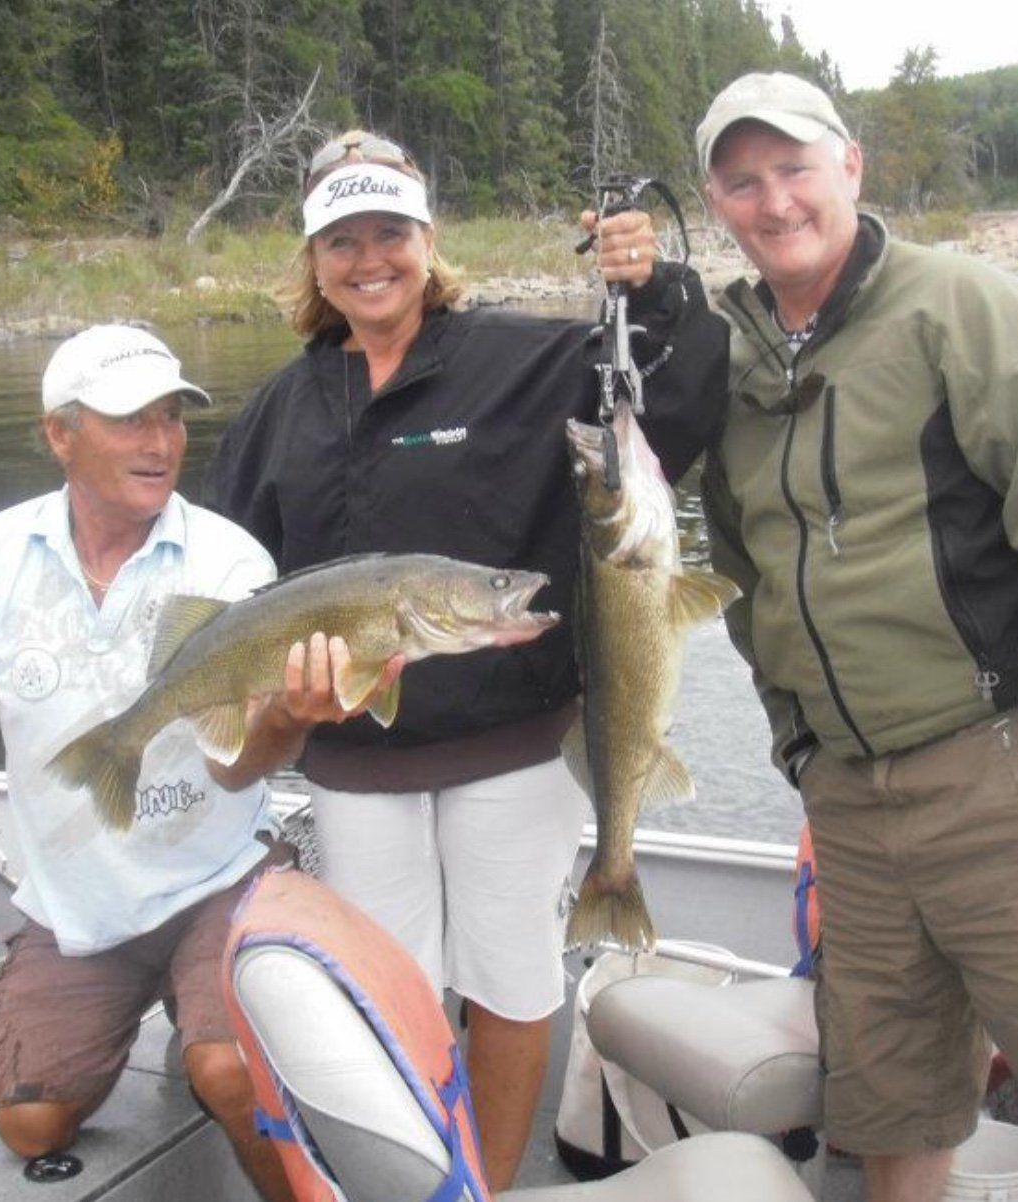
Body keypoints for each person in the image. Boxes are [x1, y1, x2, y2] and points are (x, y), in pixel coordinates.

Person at [695, 73, 1018, 1202]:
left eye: (793, 169)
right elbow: (738, 573)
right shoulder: (727, 364)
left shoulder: (962, 307)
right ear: (714, 202)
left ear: (850, 168)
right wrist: (798, 745)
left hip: (1002, 769)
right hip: (851, 804)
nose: (774, 202)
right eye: (742, 181)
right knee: (889, 1105)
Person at [208, 130, 726, 1189]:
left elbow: (668, 405)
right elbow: (235, 584)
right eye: (340, 239)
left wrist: (655, 285)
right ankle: (416, 1179)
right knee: (383, 988)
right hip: (356, 764)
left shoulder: (526, 358)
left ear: (426, 239)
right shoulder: (274, 412)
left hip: (514, 754)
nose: (368, 259)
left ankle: (482, 1179)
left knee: (509, 975)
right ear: (311, 258)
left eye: (388, 232)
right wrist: (269, 705)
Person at [0, 324, 394, 1201]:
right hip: (75, 901)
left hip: (217, 878)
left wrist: (288, 716)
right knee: (32, 1122)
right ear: (61, 433)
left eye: (171, 418)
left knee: (229, 1074)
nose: (162, 442)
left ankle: (223, 1037)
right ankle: (164, 1000)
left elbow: (239, 769)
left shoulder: (229, 559)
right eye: (131, 420)